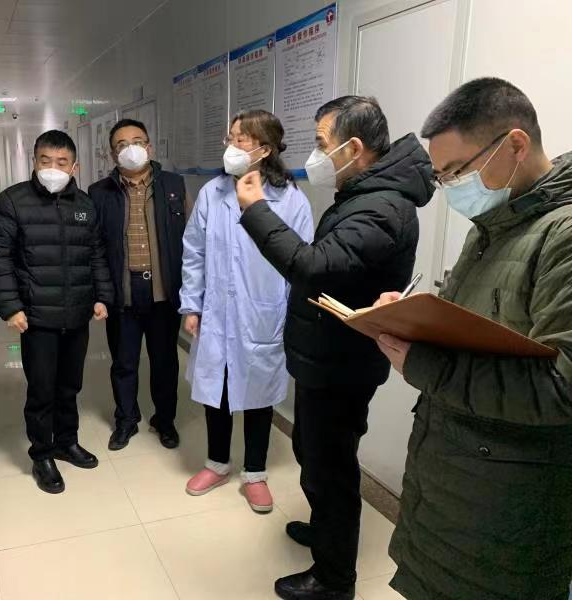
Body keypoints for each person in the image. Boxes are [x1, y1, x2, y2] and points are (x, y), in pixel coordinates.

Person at [374, 78, 572, 600]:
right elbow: (480, 328)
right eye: (442, 176)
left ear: (515, 145)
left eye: (458, 170)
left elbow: (562, 388)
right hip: (451, 477)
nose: (451, 187)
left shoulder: (563, 236)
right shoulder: (493, 226)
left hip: (509, 505)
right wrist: (414, 317)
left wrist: (424, 363)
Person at [235, 97, 433, 599]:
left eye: (323, 144)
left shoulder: (382, 208)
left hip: (343, 365)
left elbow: (313, 267)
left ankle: (334, 579)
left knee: (331, 468)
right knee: (312, 451)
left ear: (355, 147)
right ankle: (326, 533)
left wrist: (256, 209)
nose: (316, 154)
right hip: (326, 358)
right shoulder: (363, 194)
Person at [180, 109, 314, 514]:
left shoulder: (290, 199)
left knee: (258, 396)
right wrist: (192, 303)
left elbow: (302, 263)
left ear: (265, 149)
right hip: (216, 313)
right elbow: (194, 252)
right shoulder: (212, 193)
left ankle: (255, 473)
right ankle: (217, 464)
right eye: (231, 137)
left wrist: (292, 317)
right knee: (217, 391)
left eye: (241, 139)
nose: (231, 145)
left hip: (263, 314)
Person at [0, 130, 114, 495]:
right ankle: (41, 453)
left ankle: (66, 442)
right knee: (42, 389)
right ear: (34, 162)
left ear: (75, 167)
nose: (53, 168)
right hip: (37, 316)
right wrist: (10, 307)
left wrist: (102, 296)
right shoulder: (12, 201)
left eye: (61, 162)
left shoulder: (85, 204)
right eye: (45, 161)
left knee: (70, 385)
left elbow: (96, 255)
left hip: (77, 313)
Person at [89, 119, 189, 451]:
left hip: (164, 293)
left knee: (165, 362)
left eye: (137, 141)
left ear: (149, 146)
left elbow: (191, 241)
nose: (130, 149)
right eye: (121, 144)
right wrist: (102, 294)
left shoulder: (174, 185)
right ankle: (126, 420)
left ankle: (165, 420)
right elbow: (95, 248)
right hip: (123, 295)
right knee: (124, 363)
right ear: (111, 153)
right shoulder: (99, 193)